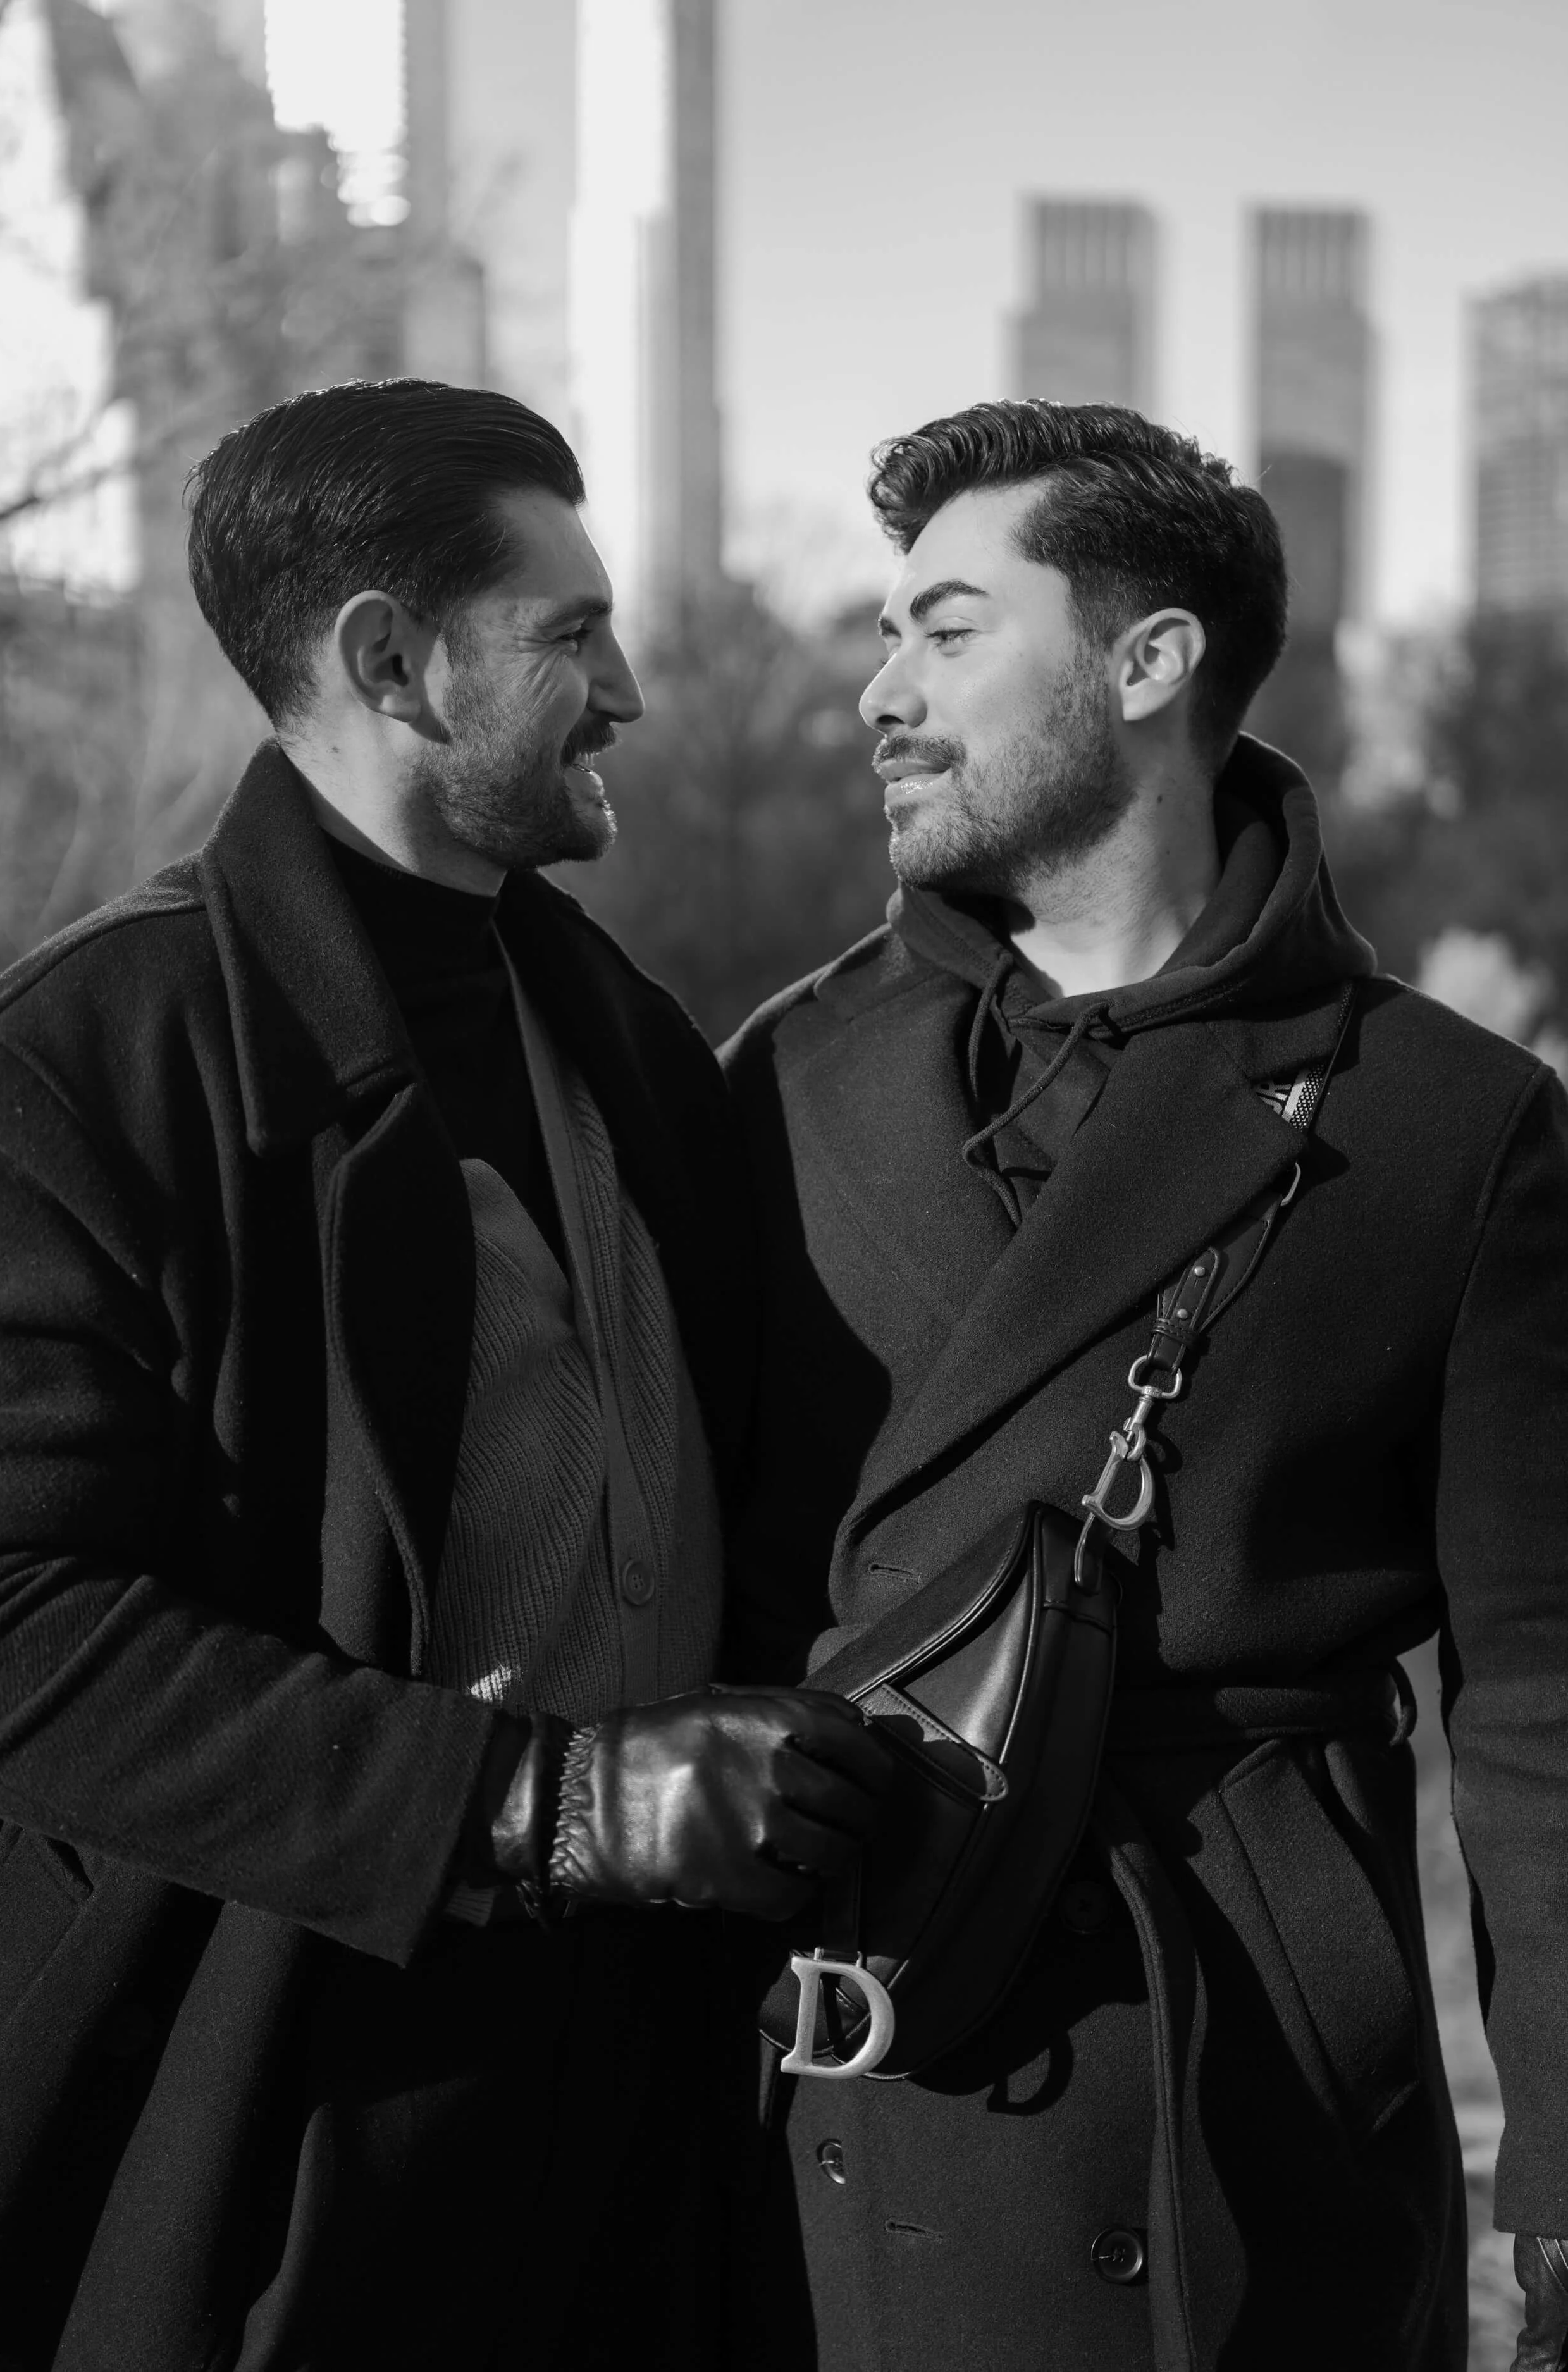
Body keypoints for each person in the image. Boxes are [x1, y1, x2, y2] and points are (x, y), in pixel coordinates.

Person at [0, 378, 891, 2372]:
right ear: (391, 661)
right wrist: (535, 1803)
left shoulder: (632, 1042)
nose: (627, 690)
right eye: (570, 634)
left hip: (650, 2133)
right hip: (267, 2128)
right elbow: (11, 1625)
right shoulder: (78, 1064)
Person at [722, 398, 1568, 2371]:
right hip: (860, 2049)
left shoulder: (1443, 1122)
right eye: (885, 635)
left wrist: (1559, 2175)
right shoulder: (782, 1079)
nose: (879, 693)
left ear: (1147, 659)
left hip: (1250, 2100)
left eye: (946, 632)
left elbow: (1541, 1694)